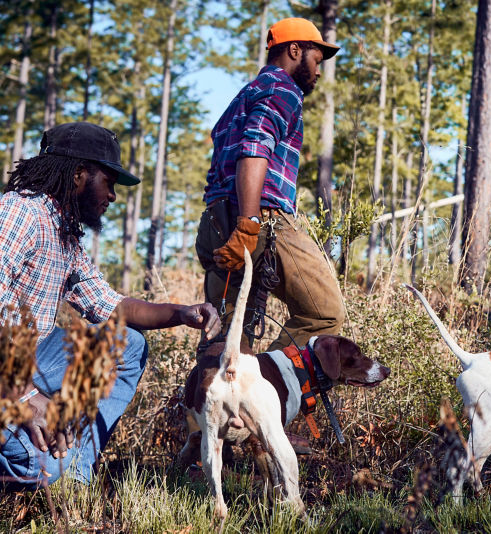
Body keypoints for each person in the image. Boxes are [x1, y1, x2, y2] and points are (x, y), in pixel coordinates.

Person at [0, 122, 222, 488]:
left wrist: (180, 313)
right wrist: (24, 396)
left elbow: (110, 305)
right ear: (78, 174)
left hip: (32, 357)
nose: (114, 195)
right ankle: (39, 460)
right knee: (41, 469)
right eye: (109, 181)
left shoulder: (64, 233)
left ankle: (75, 473)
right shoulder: (21, 212)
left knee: (128, 345)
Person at [197, 17, 345, 352]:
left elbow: (220, 165)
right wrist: (249, 224)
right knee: (324, 315)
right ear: (295, 50)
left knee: (229, 337)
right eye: (317, 61)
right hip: (260, 219)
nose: (319, 71)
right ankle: (275, 391)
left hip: (215, 223)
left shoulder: (241, 97)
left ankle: (211, 403)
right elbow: (254, 149)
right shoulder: (283, 90)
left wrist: (226, 221)